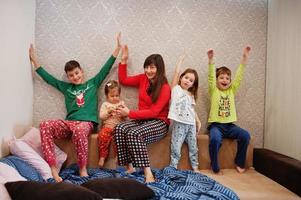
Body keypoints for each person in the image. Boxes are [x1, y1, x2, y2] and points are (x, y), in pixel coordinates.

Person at [29, 33, 122, 182]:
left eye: (77, 73)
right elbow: (49, 79)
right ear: (68, 77)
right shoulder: (66, 88)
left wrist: (116, 49)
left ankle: (82, 168)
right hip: (69, 123)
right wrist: (35, 61)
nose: (75, 77)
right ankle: (52, 168)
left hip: (86, 123)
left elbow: (105, 69)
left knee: (79, 130)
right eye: (71, 75)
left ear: (81, 71)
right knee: (44, 124)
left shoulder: (92, 83)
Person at [113, 45, 171, 183]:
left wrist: (130, 113)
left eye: (152, 67)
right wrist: (124, 61)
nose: (148, 70)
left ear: (159, 68)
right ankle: (130, 167)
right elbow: (124, 80)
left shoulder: (165, 87)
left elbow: (154, 112)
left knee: (134, 133)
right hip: (142, 120)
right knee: (119, 128)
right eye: (146, 67)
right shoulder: (142, 79)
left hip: (159, 122)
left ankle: (148, 173)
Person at [207, 46, 251, 174]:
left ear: (230, 81)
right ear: (216, 81)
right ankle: (214, 166)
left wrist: (244, 59)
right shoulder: (213, 90)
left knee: (245, 135)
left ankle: (239, 162)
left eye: (227, 78)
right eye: (221, 78)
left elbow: (239, 77)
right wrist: (211, 61)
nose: (224, 80)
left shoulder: (232, 90)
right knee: (215, 139)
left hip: (230, 126)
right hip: (216, 126)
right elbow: (210, 77)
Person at [168, 54, 202, 173]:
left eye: (191, 80)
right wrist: (180, 61)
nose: (188, 81)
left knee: (193, 147)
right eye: (186, 78)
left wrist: (197, 121)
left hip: (191, 124)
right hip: (179, 124)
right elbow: (176, 73)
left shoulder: (191, 95)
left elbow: (192, 110)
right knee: (176, 147)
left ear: (193, 84)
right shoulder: (176, 89)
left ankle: (195, 167)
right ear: (181, 78)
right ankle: (173, 166)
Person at [97, 80, 126, 167]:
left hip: (118, 128)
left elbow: (126, 116)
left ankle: (118, 156)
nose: (115, 98)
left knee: (119, 139)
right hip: (107, 127)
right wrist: (108, 112)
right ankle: (102, 156)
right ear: (107, 96)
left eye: (117, 95)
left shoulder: (121, 104)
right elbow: (101, 116)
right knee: (102, 136)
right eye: (112, 96)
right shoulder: (105, 105)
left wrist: (122, 112)